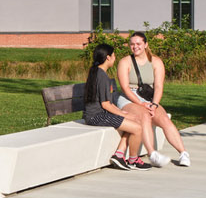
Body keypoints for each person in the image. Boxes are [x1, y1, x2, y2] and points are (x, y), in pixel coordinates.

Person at [117, 31, 190, 167]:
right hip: (129, 98)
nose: (135, 47)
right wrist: (140, 103)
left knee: (164, 119)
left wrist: (154, 104)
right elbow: (125, 88)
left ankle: (183, 153)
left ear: (145, 44)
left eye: (138, 44)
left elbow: (158, 86)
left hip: (149, 97)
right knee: (145, 116)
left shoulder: (156, 62)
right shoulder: (125, 62)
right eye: (132, 44)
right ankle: (153, 154)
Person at [80, 44, 151, 169]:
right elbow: (105, 104)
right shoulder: (101, 76)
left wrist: (122, 113)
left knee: (134, 120)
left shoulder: (98, 72)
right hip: (96, 117)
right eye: (113, 55)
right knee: (137, 128)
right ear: (108, 57)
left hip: (98, 114)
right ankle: (133, 160)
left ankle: (119, 154)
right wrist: (122, 113)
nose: (114, 58)